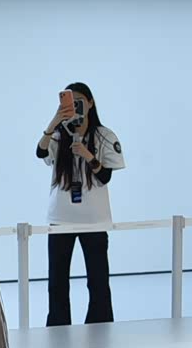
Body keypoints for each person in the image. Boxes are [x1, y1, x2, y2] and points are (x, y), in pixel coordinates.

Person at [35, 82, 126, 326]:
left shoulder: (104, 136)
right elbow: (40, 152)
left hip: (94, 219)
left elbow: (105, 176)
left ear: (91, 103)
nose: (75, 106)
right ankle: (58, 328)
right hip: (61, 218)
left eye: (79, 101)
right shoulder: (58, 134)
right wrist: (55, 122)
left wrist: (87, 154)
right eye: (69, 102)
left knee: (98, 280)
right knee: (57, 280)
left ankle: (100, 327)